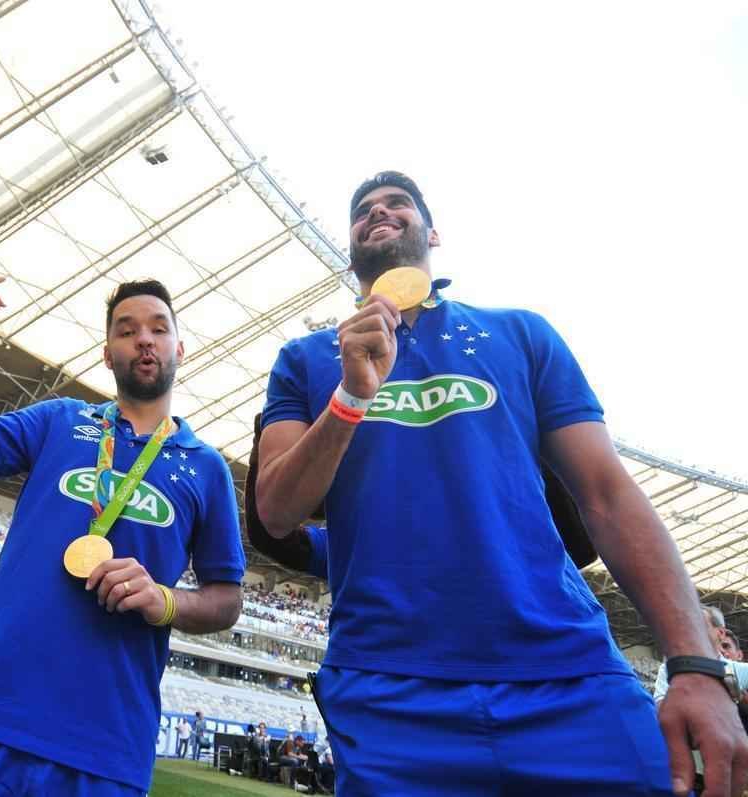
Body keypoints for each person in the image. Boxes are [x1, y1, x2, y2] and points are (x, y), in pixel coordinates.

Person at [254, 171, 748, 796]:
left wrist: (697, 667)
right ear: (352, 243)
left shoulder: (520, 334)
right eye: (362, 210)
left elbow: (608, 495)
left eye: (397, 203)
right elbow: (275, 509)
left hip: (568, 675)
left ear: (431, 232)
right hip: (389, 688)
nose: (378, 212)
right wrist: (351, 395)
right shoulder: (305, 358)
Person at [0, 277, 245, 796]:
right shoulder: (59, 421)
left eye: (159, 329)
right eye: (127, 330)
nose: (144, 340)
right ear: (108, 355)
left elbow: (225, 601)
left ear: (179, 348)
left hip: (105, 743)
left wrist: (163, 600)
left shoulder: (206, 469)